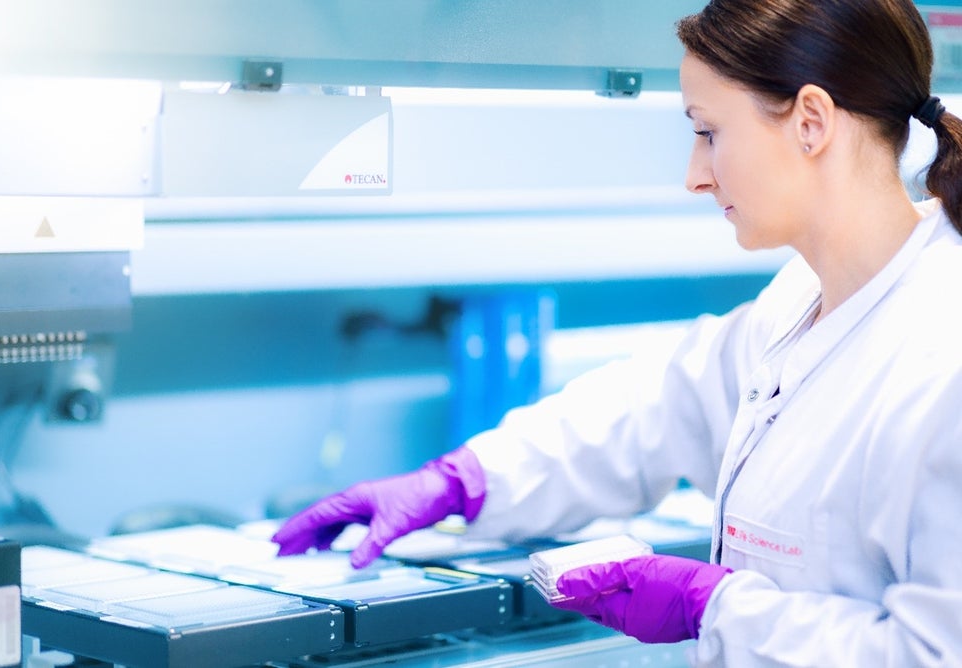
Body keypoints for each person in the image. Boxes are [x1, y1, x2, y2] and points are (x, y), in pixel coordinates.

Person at [272, 0, 962, 664]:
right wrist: (466, 481)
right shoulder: (803, 301)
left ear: (811, 121)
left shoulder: (943, 360)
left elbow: (936, 654)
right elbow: (653, 409)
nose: (694, 176)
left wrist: (715, 610)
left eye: (708, 132)